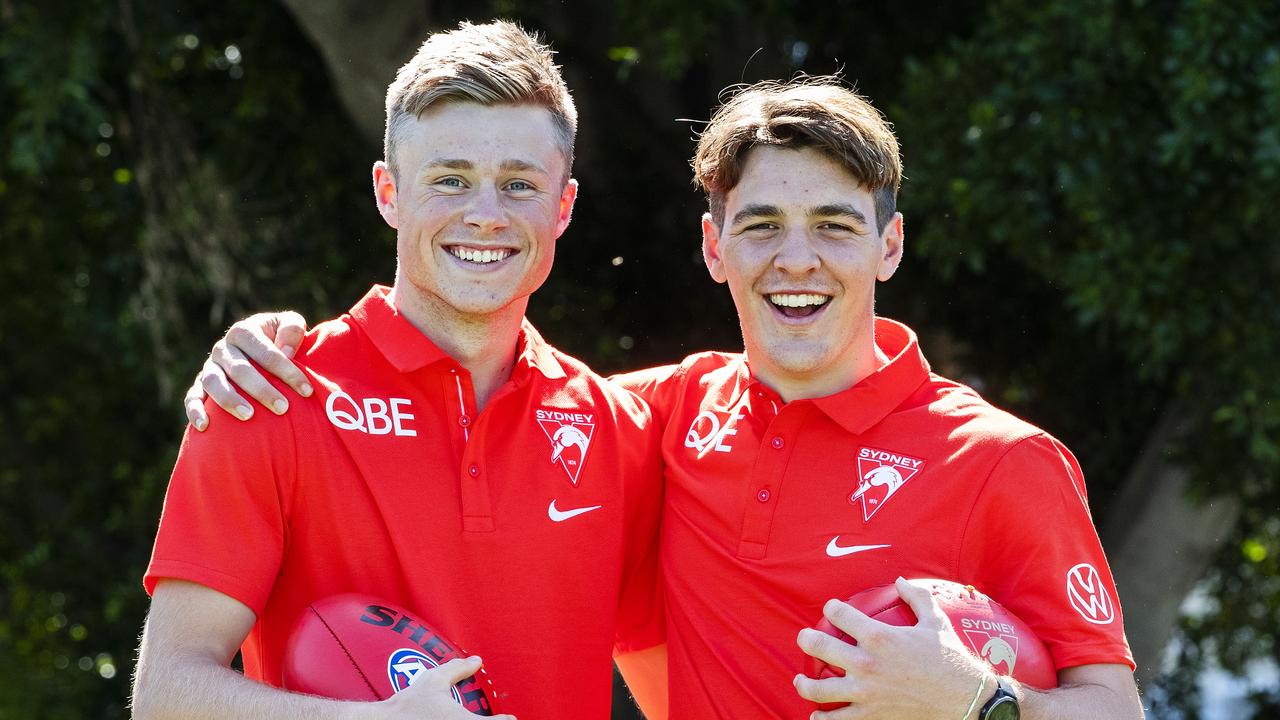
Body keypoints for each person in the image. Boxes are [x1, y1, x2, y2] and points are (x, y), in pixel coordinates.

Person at [187, 76, 1144, 719]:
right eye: (761, 224)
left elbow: (1115, 706)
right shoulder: (662, 417)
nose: (796, 259)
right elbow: (480, 388)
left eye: (836, 226)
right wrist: (264, 349)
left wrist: (979, 702)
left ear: (888, 247)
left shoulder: (1004, 460)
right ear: (713, 248)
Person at [132, 21, 667, 720]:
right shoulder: (269, 394)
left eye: (518, 184)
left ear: (562, 206)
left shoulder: (620, 429)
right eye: (450, 180)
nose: (485, 215)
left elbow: (674, 693)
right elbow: (166, 693)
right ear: (389, 193)